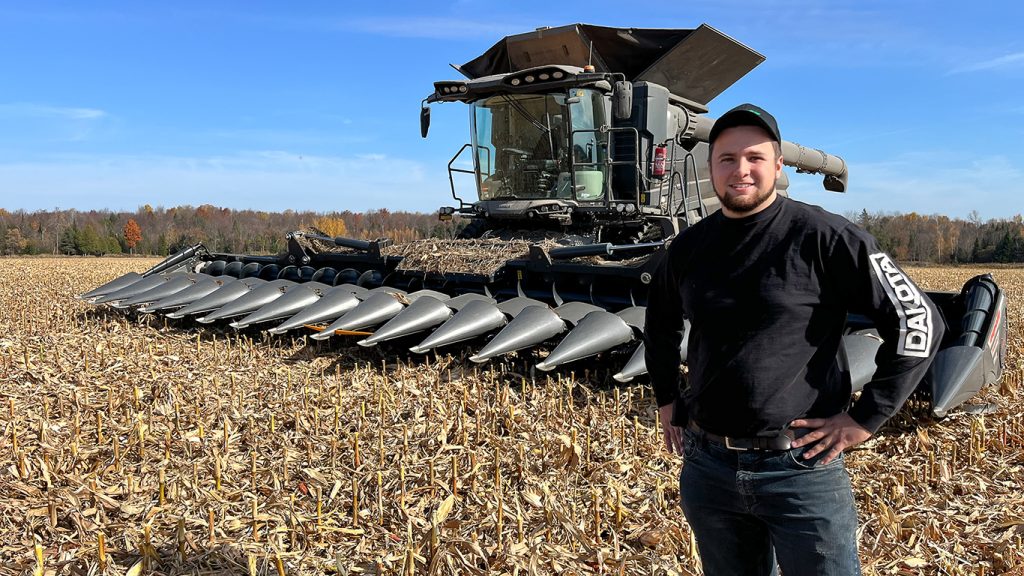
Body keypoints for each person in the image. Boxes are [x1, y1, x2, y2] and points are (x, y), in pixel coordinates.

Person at [643, 103, 943, 575]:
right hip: (709, 468)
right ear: (710, 168)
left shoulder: (828, 237)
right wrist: (666, 398)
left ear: (779, 166)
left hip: (801, 471)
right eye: (727, 158)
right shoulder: (687, 248)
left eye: (754, 157)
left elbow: (918, 320)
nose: (740, 170)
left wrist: (866, 418)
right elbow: (659, 325)